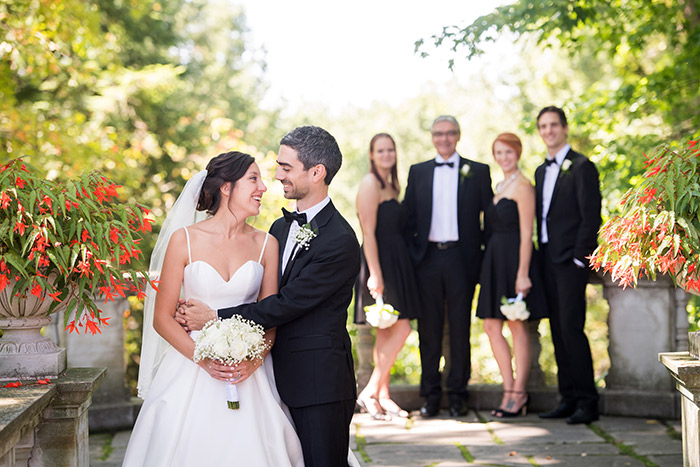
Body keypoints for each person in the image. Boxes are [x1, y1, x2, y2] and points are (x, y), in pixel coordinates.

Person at [177, 126, 361, 467]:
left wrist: (215, 317)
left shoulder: (340, 240)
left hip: (318, 383)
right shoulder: (277, 229)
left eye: (286, 168)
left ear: (317, 172)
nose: (277, 176)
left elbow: (287, 303)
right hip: (273, 379)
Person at [123, 151, 305, 466]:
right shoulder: (184, 241)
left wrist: (254, 359)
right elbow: (162, 319)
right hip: (191, 364)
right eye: (253, 179)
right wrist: (205, 360)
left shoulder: (267, 244)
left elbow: (271, 317)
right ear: (226, 187)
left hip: (250, 371)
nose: (263, 187)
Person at [404, 115, 493, 418]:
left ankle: (458, 395)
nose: (444, 138)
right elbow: (409, 217)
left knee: (459, 328)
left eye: (450, 133)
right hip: (427, 259)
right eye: (439, 133)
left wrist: (483, 260)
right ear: (432, 137)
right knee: (428, 331)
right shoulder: (418, 172)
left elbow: (489, 220)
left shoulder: (478, 172)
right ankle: (430, 395)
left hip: (462, 259)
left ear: (458, 135)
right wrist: (412, 255)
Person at [534, 106, 602, 425]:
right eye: (543, 126)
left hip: (570, 261)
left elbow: (591, 216)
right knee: (557, 331)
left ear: (564, 128)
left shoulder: (582, 166)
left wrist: (580, 257)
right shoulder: (539, 171)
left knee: (573, 329)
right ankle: (567, 397)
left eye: (553, 125)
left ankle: (588, 402)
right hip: (546, 259)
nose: (548, 131)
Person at [476, 133, 548, 418]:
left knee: (517, 326)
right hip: (494, 261)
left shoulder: (523, 186)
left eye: (508, 152)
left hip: (515, 260)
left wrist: (522, 274)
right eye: (498, 153)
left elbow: (526, 233)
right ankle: (508, 389)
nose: (503, 157)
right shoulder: (498, 186)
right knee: (491, 327)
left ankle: (519, 393)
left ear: (517, 153)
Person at [354, 133, 421, 420]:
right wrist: (375, 273)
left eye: (390, 149)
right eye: (380, 150)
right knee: (402, 328)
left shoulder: (392, 184)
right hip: (380, 263)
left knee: (387, 331)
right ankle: (369, 390)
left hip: (398, 262)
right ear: (372, 155)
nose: (386, 154)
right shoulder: (370, 184)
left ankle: (382, 395)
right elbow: (368, 232)